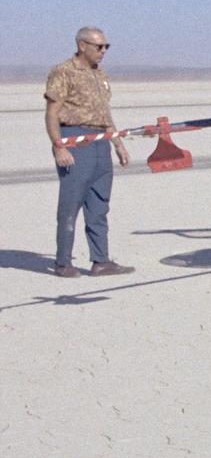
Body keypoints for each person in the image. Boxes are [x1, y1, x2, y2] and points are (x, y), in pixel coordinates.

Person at [44, 27, 135, 278]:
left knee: (99, 205)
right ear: (82, 45)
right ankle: (63, 263)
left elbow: (104, 114)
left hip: (100, 141)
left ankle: (101, 260)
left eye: (107, 46)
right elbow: (52, 112)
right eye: (99, 46)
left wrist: (118, 144)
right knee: (70, 205)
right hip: (75, 140)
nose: (103, 51)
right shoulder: (64, 72)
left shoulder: (100, 75)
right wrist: (59, 145)